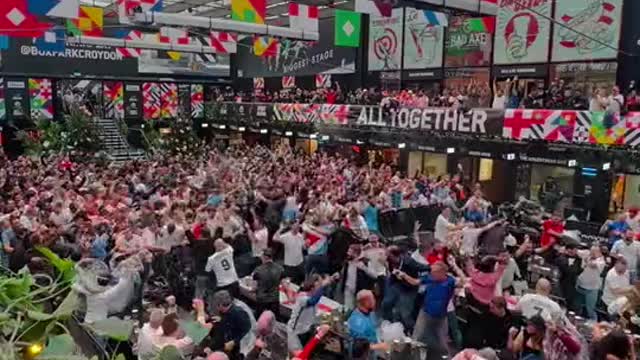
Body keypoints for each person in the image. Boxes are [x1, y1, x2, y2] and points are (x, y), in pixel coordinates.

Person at [400, 261, 457, 360]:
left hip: (440, 316)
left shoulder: (450, 281)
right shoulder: (429, 278)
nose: (431, 274)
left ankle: (447, 357)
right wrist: (404, 275)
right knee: (417, 335)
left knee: (442, 340)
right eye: (431, 271)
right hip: (425, 313)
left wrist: (456, 267)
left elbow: (464, 282)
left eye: (434, 272)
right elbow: (414, 282)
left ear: (442, 272)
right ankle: (411, 356)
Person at [209, 290, 251, 360]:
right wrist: (222, 320)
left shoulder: (239, 313)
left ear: (220, 305)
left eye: (216, 305)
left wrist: (234, 341)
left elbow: (247, 330)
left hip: (239, 347)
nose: (216, 308)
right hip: (228, 340)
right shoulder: (224, 313)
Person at [347, 290, 390, 355]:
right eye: (373, 299)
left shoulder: (370, 313)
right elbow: (357, 347)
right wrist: (379, 346)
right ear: (366, 302)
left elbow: (375, 328)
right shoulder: (357, 322)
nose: (375, 302)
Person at [575, 245, 606, 320]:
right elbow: (575, 251)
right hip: (580, 285)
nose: (592, 253)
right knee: (577, 307)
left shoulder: (601, 261)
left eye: (595, 251)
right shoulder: (587, 253)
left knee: (590, 310)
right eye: (591, 250)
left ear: (600, 253)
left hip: (592, 289)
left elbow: (592, 265)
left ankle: (593, 324)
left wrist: (587, 258)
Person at [252, 248, 284, 317]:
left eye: (261, 256)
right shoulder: (280, 269)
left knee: (260, 321)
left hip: (262, 300)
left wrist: (252, 290)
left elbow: (254, 287)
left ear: (265, 257)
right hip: (274, 300)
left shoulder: (258, 270)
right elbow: (284, 283)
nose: (260, 257)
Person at [554, 243, 583, 310]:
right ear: (569, 250)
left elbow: (577, 271)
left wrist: (581, 266)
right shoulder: (561, 258)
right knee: (561, 302)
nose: (576, 252)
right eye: (575, 250)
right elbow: (570, 271)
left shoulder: (578, 259)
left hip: (572, 285)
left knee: (570, 304)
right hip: (561, 285)